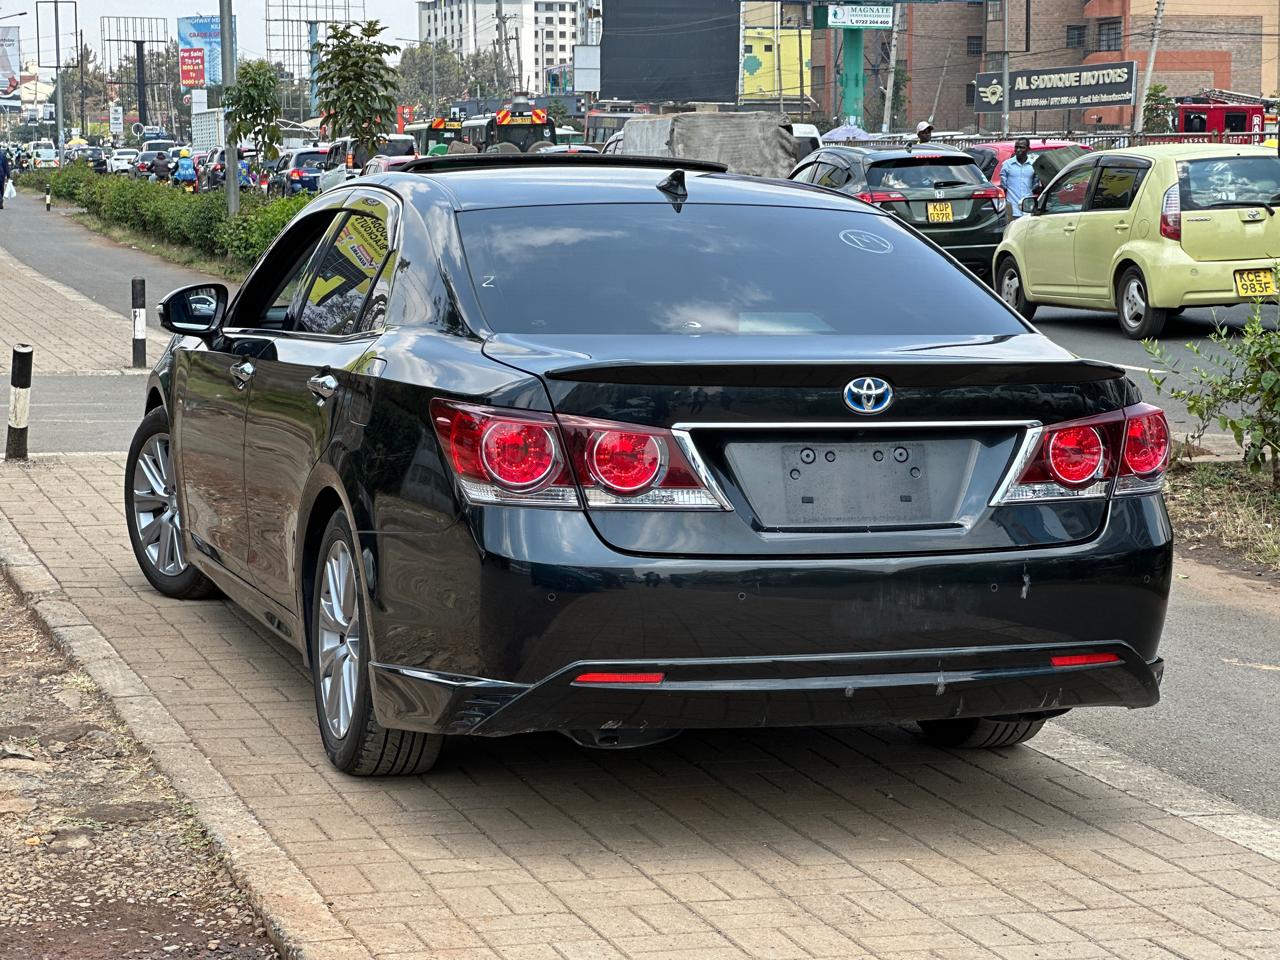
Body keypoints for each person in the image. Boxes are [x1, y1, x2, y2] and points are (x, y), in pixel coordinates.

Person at [1000, 137, 1039, 226]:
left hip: (1028, 209)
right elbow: (1003, 187)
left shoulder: (1033, 165)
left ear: (1028, 149)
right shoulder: (1007, 165)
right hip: (1012, 210)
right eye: (1016, 147)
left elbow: (1036, 186)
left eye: (1021, 147)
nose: (1018, 150)